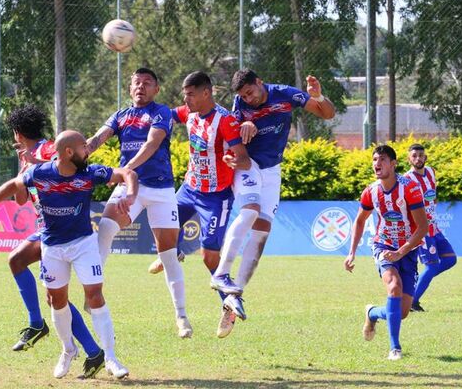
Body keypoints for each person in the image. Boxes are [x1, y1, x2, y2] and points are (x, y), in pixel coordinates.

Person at [0, 130, 136, 379]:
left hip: (84, 243)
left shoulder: (89, 173)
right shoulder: (40, 173)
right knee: (57, 301)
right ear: (68, 152)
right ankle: (68, 350)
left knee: (95, 295)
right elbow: (15, 186)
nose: (87, 150)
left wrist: (129, 195)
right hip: (52, 247)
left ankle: (110, 357)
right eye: (82, 147)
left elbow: (126, 173)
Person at [210, 69, 335, 323]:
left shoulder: (286, 95)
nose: (247, 99)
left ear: (260, 82)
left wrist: (319, 97)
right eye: (242, 96)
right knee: (250, 210)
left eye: (250, 93)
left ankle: (235, 297)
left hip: (272, 170)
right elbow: (231, 132)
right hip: (248, 165)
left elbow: (327, 114)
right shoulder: (240, 104)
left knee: (262, 230)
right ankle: (221, 274)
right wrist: (243, 123)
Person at [86, 67, 192, 339]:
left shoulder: (162, 112)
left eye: (147, 83)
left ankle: (181, 317)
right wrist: (76, 151)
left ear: (156, 89)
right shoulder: (120, 115)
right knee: (106, 229)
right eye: (136, 82)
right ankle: (93, 290)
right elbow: (98, 139)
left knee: (168, 255)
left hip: (160, 189)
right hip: (129, 186)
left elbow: (152, 144)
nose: (140, 87)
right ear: (130, 87)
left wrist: (125, 169)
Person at [147, 71, 252, 338]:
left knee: (209, 258)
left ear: (207, 93)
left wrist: (234, 162)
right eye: (184, 94)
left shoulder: (226, 121)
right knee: (161, 220)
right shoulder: (188, 113)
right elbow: (162, 115)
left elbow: (244, 159)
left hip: (216, 197)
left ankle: (229, 305)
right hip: (189, 188)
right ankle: (176, 252)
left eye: (191, 94)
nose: (186, 99)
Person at [4, 106, 104, 378]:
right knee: (52, 293)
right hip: (46, 227)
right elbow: (21, 199)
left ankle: (38, 325)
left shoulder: (48, 149)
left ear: (18, 132)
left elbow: (68, 169)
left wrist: (33, 164)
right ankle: (93, 351)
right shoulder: (27, 155)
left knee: (31, 273)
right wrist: (21, 166)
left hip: (63, 229)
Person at [344, 145, 428, 361]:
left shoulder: (409, 188)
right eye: (374, 160)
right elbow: (360, 220)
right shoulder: (370, 191)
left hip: (408, 250)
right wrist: (351, 252)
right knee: (393, 287)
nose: (377, 164)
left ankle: (372, 313)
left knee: (402, 313)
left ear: (393, 164)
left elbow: (422, 228)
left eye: (382, 159)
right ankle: (395, 348)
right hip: (383, 246)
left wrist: (402, 251)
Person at [405, 143, 457, 312]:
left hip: (434, 226)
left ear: (425, 157)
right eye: (414, 156)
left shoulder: (431, 172)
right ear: (409, 159)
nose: (418, 158)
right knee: (432, 266)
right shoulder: (406, 180)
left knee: (450, 259)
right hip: (420, 229)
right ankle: (412, 301)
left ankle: (417, 285)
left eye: (421, 155)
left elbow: (433, 194)